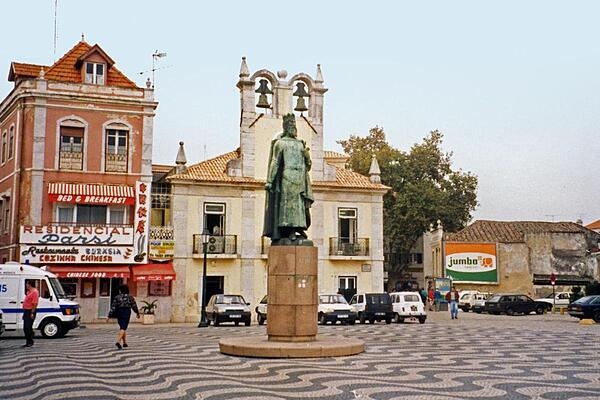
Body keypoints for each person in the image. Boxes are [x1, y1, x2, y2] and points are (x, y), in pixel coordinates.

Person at [263, 113, 314, 244]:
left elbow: (308, 166)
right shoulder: (280, 143)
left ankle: (299, 228)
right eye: (290, 125)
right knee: (288, 205)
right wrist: (270, 180)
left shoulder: (301, 144)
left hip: (300, 179)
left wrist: (307, 156)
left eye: (294, 125)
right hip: (287, 178)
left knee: (299, 207)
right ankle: (289, 230)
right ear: (285, 127)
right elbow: (275, 162)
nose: (293, 127)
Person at [109, 284, 140, 349]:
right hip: (126, 312)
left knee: (122, 327)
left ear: (121, 290)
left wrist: (109, 315)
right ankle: (118, 341)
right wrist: (137, 312)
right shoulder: (130, 297)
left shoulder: (117, 297)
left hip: (119, 312)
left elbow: (113, 307)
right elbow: (134, 306)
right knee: (123, 327)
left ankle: (124, 343)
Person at [22, 280, 39, 347]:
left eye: (27, 284)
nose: (26, 285)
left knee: (28, 327)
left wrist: (32, 312)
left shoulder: (35, 292)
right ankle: (28, 341)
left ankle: (30, 341)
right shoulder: (29, 292)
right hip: (26, 311)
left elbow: (35, 303)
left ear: (29, 284)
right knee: (25, 327)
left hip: (30, 311)